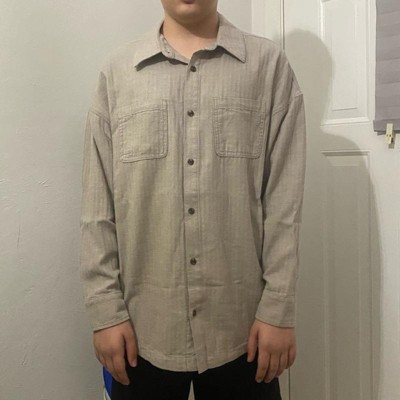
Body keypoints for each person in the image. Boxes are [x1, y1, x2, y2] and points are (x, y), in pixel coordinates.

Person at [79, 1, 307, 399]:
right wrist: (105, 311)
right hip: (141, 330)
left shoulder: (268, 67)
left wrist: (278, 308)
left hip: (244, 331)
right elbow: (98, 207)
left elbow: (283, 204)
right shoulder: (118, 74)